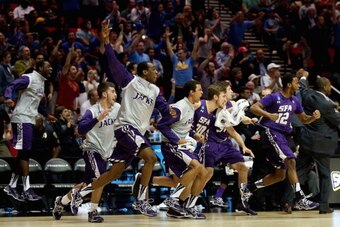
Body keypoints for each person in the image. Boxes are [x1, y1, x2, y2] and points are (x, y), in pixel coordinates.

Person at [70, 20, 173, 217]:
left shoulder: (155, 90)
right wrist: (106, 41)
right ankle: (142, 201)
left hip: (136, 133)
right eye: (153, 70)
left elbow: (165, 109)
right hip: (125, 128)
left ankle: (79, 193)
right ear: (144, 72)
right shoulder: (130, 81)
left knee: (113, 173)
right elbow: (113, 62)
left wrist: (173, 113)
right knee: (151, 158)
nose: (157, 72)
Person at [249, 73, 321, 211]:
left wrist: (313, 117)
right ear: (288, 84)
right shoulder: (273, 97)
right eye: (296, 82)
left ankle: (250, 188)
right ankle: (300, 199)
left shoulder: (295, 101)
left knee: (281, 175)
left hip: (283, 136)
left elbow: (304, 119)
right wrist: (269, 115)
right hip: (270, 131)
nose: (298, 85)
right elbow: (254, 108)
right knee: (291, 160)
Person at [52, 82, 120, 223]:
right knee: (99, 178)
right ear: (104, 94)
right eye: (112, 91)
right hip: (92, 149)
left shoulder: (118, 108)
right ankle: (92, 212)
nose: (116, 94)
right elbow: (81, 129)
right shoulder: (92, 111)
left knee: (89, 183)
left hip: (106, 152)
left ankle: (62, 201)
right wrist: (98, 118)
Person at [195, 81, 257, 215]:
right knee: (206, 174)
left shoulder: (232, 104)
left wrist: (244, 145)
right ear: (220, 94)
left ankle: (243, 202)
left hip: (225, 144)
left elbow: (234, 127)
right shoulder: (212, 106)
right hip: (210, 143)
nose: (231, 92)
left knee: (242, 167)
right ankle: (191, 200)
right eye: (229, 90)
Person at [3, 60, 54, 202]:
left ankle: (12, 186)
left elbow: (37, 104)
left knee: (24, 153)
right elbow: (12, 85)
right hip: (21, 118)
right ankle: (26, 188)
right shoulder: (29, 78)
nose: (51, 68)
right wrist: (8, 97)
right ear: (39, 68)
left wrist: (47, 114)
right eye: (48, 66)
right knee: (25, 153)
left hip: (29, 119)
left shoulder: (41, 82)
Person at [155, 80, 207, 219]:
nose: (202, 92)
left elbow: (182, 127)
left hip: (180, 146)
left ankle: (186, 206)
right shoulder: (179, 107)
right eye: (199, 89)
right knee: (196, 167)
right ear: (191, 92)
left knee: (203, 172)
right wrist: (176, 139)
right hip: (170, 146)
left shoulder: (190, 107)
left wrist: (194, 135)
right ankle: (173, 199)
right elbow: (161, 125)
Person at [297, 74, 340, 214]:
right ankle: (323, 206)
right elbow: (337, 120)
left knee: (298, 172)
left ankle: (287, 201)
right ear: (325, 87)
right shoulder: (327, 104)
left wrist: (303, 77)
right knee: (325, 175)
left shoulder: (307, 95)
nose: (330, 89)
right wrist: (336, 109)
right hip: (322, 143)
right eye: (329, 86)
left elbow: (303, 87)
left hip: (307, 141)